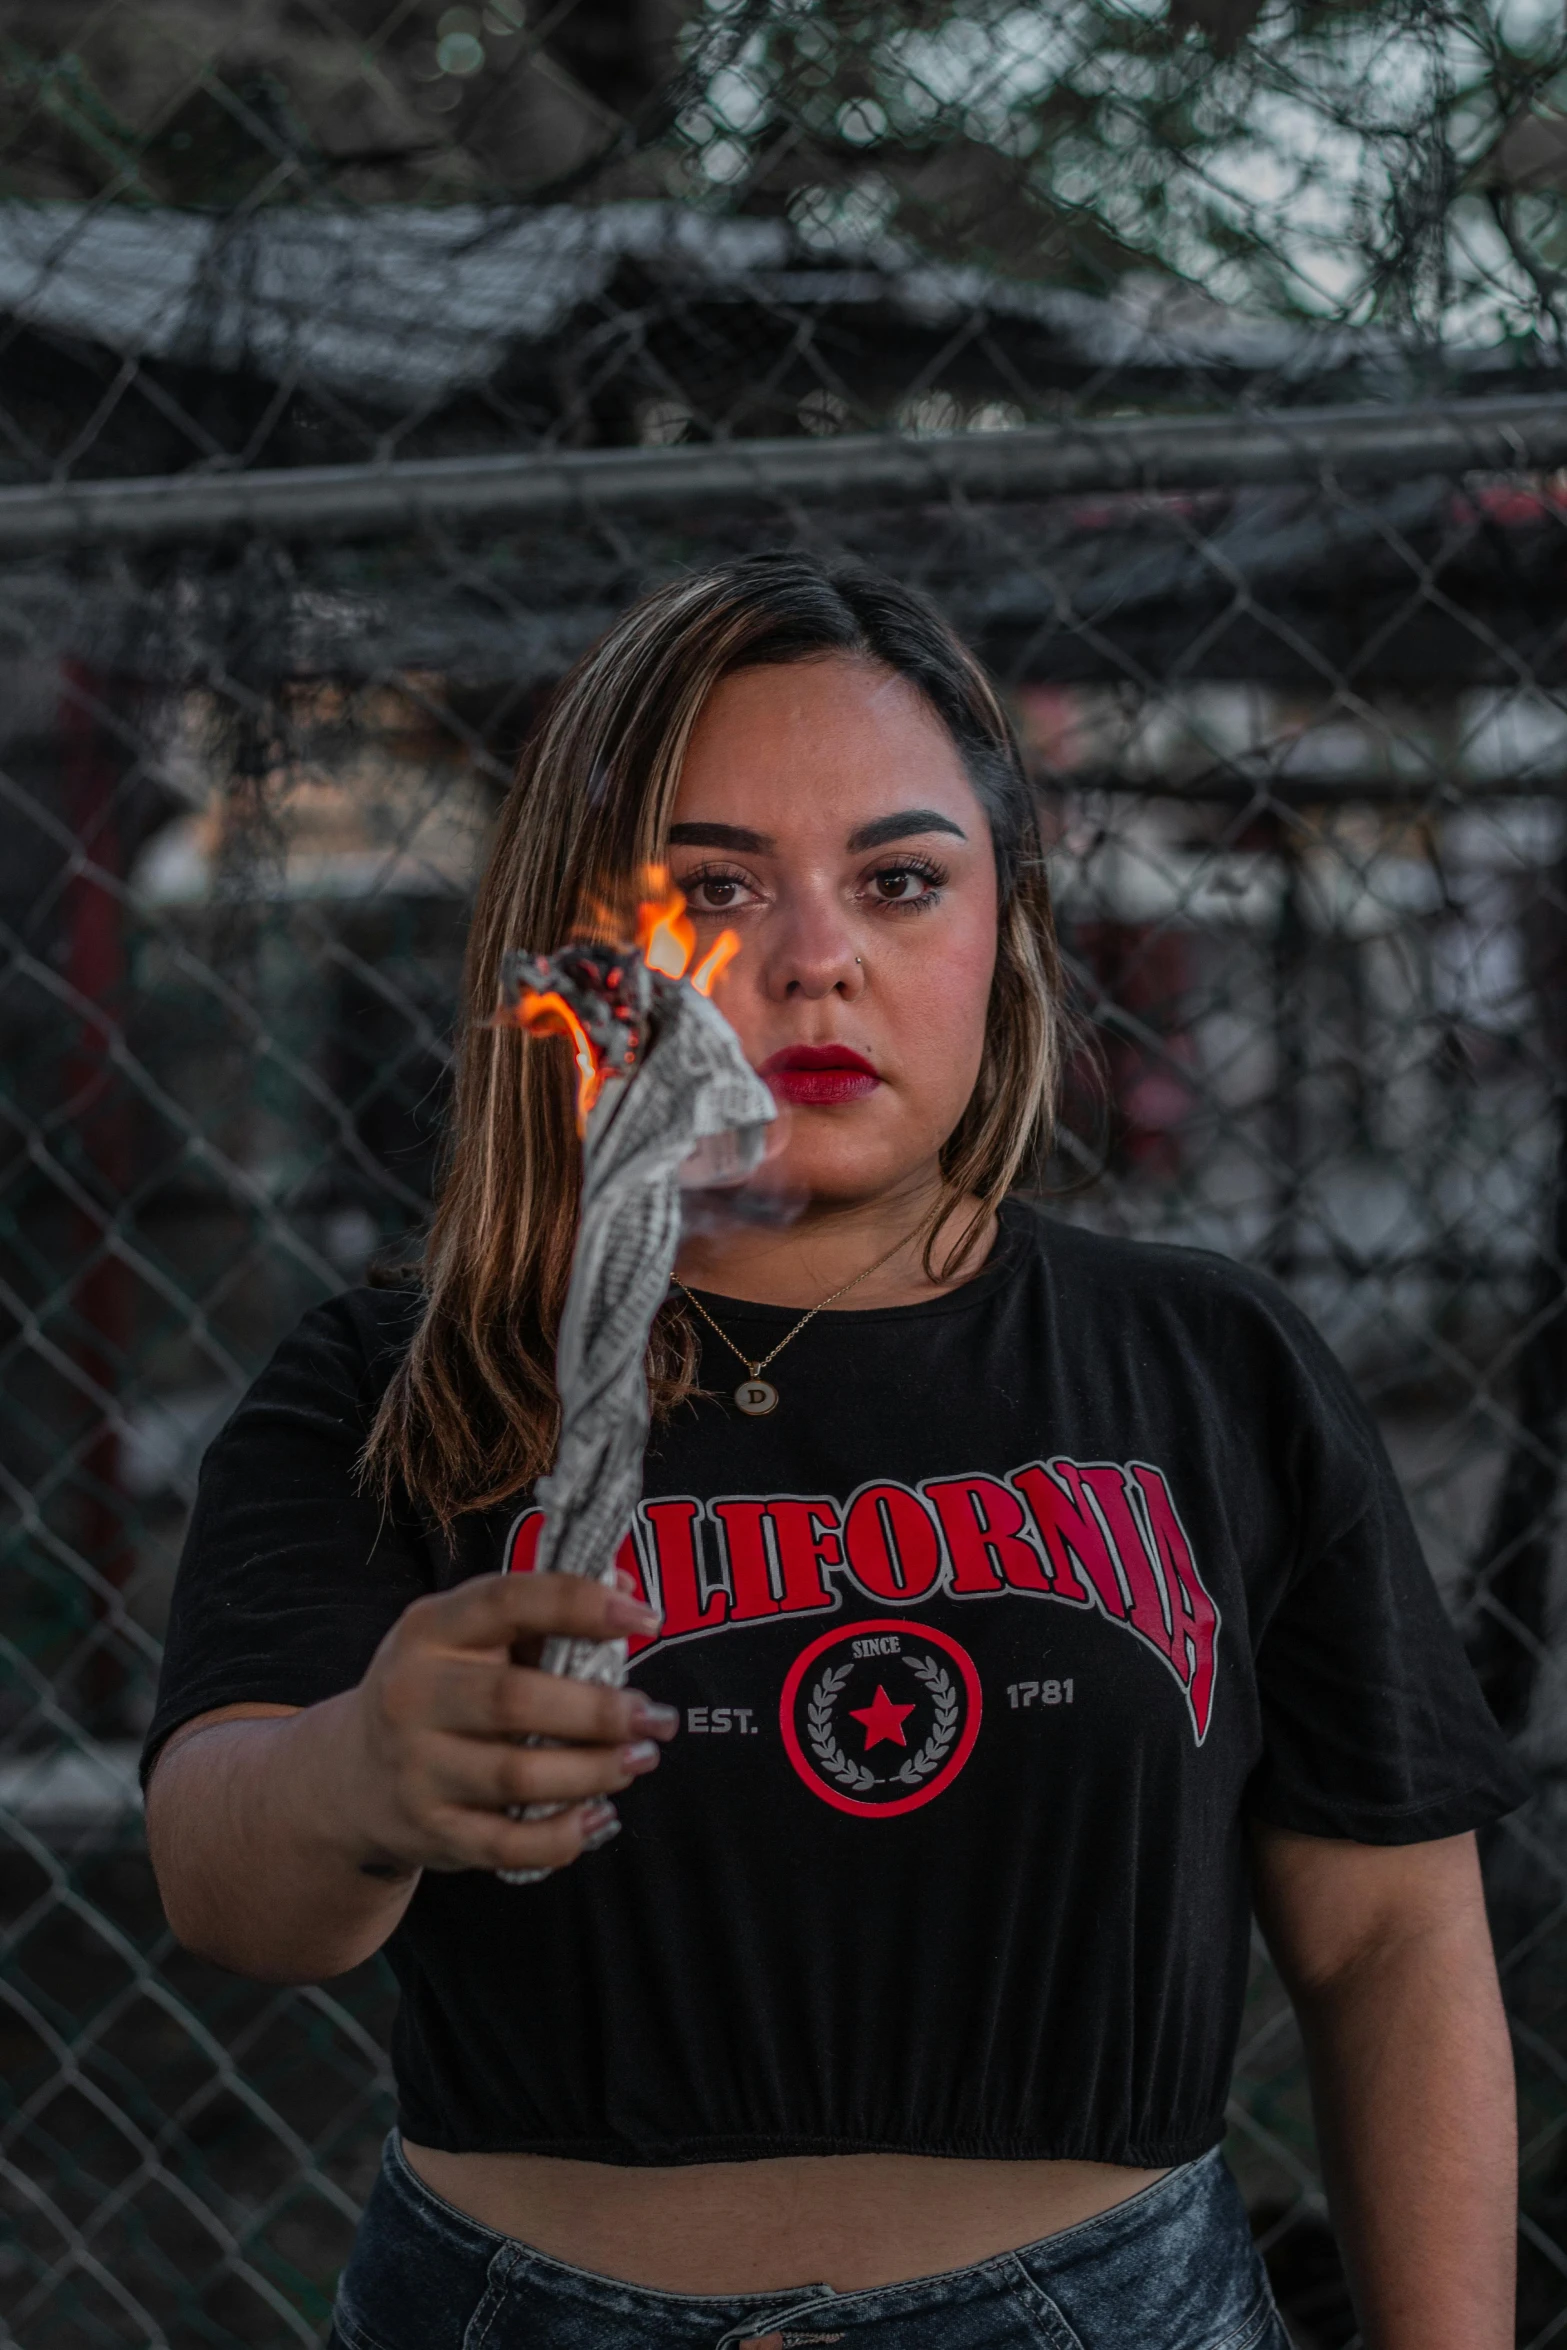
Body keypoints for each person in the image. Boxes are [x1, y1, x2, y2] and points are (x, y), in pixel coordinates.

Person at [144, 555, 1526, 2350]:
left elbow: (1388, 1943)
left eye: (897, 879)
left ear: (1001, 925)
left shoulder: (1200, 1361)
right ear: (586, 944)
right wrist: (357, 1771)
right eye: (714, 885)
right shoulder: (409, 1379)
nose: (814, 957)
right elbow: (224, 1870)